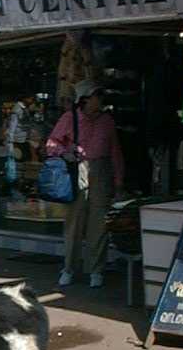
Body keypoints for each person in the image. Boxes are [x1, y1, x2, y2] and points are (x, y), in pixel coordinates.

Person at [45, 79, 124, 289]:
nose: (101, 99)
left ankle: (95, 270)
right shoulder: (70, 118)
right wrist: (65, 153)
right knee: (74, 221)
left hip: (102, 169)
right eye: (97, 95)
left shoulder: (107, 120)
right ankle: (68, 268)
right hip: (78, 168)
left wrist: (118, 178)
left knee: (99, 223)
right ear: (85, 99)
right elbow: (52, 142)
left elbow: (114, 150)